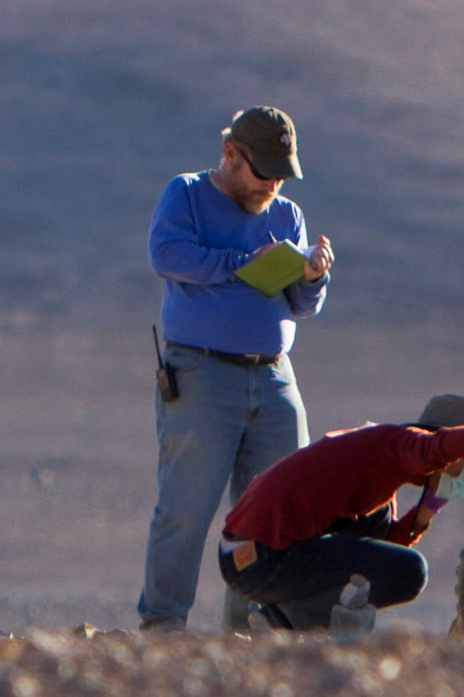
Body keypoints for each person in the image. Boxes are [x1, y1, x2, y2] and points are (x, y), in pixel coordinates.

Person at [137, 106, 332, 631]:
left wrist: (312, 276)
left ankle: (257, 628)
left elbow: (301, 304)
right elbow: (167, 254)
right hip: (201, 373)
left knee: (280, 511)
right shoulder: (186, 194)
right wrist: (240, 265)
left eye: (280, 175)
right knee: (185, 507)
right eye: (262, 172)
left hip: (273, 376)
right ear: (230, 154)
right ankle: (162, 625)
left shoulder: (287, 214)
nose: (271, 184)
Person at [215, 388, 464, 629]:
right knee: (412, 572)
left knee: (384, 542)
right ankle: (283, 620)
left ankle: (275, 615)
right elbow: (432, 449)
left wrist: (429, 507)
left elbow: (380, 554)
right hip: (257, 557)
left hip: (253, 557)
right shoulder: (391, 442)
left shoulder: (379, 482)